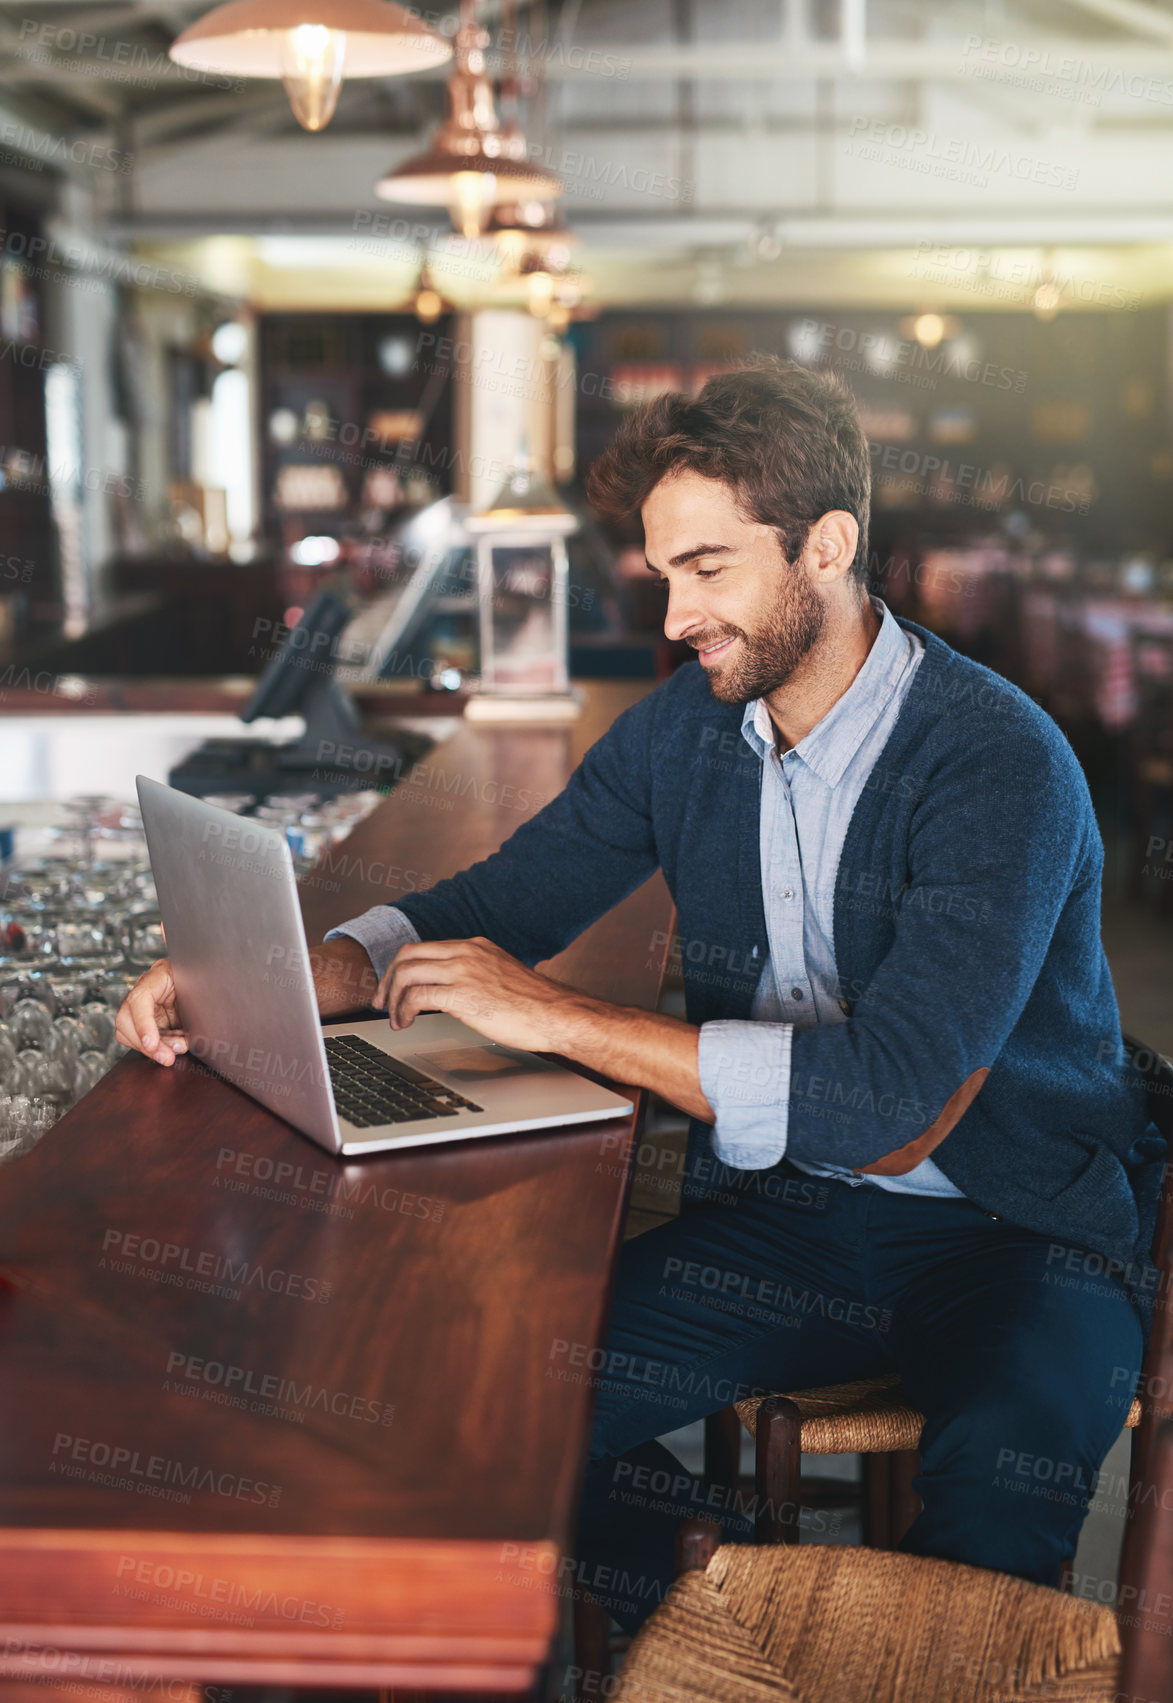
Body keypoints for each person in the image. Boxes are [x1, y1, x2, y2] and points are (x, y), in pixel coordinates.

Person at [118, 357, 1164, 1632]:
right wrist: (265, 973)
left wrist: (550, 1016)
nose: (672, 616)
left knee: (988, 1531)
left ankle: (772, 1610)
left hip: (1017, 1228)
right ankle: (709, 1589)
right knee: (491, 1409)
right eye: (665, 570)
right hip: (792, 1219)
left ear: (827, 546)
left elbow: (890, 1103)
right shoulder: (687, 730)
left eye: (708, 568)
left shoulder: (996, 761)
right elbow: (497, 903)